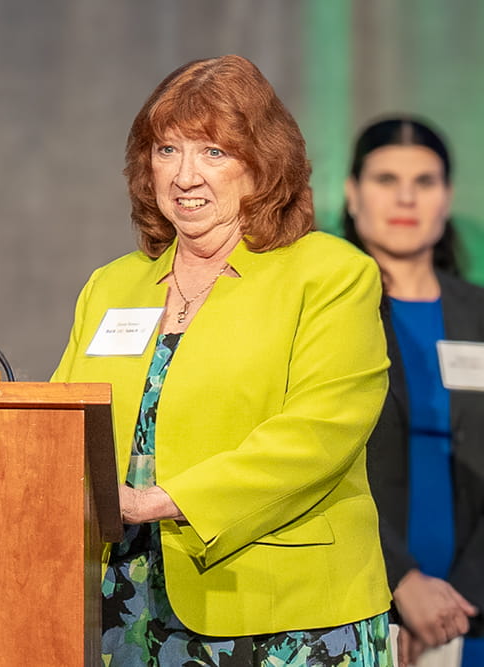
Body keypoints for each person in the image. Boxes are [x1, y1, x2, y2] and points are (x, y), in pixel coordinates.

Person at [51, 55, 393, 665]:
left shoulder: (331, 275)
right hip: (124, 606)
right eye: (166, 150)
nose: (185, 176)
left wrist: (160, 501)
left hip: (285, 610)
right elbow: (56, 426)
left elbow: (320, 432)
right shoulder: (112, 285)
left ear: (263, 165)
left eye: (213, 152)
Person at [343, 117, 483, 667]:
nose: (406, 197)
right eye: (385, 179)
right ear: (353, 194)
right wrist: (401, 582)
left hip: (471, 614)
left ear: (447, 197)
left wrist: (456, 603)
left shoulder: (479, 314)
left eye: (424, 182)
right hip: (361, 607)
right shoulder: (324, 314)